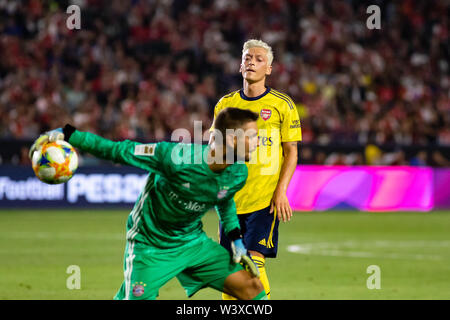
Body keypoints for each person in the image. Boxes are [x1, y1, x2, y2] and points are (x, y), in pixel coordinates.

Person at [29, 107, 268, 300]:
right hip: (151, 246)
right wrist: (69, 134)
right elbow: (116, 151)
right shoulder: (175, 157)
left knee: (253, 289)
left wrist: (236, 238)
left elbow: (224, 199)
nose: (258, 141)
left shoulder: (238, 172)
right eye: (252, 136)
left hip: (193, 243)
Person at [210, 39, 302, 299]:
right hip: (231, 200)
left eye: (259, 59)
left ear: (269, 69)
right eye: (247, 57)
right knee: (233, 269)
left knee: (253, 260)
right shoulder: (225, 105)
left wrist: (281, 191)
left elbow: (291, 151)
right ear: (240, 66)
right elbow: (215, 152)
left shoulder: (281, 105)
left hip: (264, 199)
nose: (252, 61)